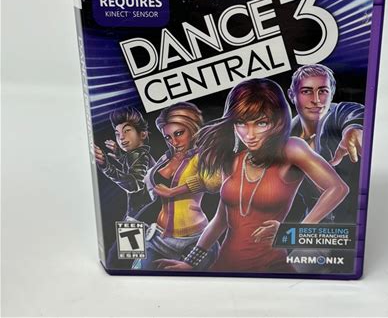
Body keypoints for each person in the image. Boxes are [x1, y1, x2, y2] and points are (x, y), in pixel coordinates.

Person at [156, 78, 349, 273]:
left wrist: (293, 232)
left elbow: (337, 188)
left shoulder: (291, 149)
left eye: (261, 123)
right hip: (225, 265)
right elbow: (220, 221)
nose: (249, 135)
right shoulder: (232, 161)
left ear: (278, 121)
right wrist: (190, 262)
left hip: (271, 268)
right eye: (241, 123)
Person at [132, 102, 221, 271]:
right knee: (135, 274)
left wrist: (175, 191)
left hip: (195, 239)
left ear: (192, 129)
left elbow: (213, 183)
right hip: (158, 236)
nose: (174, 142)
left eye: (179, 133)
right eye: (168, 137)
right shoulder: (166, 158)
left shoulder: (202, 156)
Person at [286, 63, 364, 223]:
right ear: (291, 95)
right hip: (314, 224)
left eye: (323, 91)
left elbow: (354, 113)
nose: (316, 100)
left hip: (353, 222)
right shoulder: (286, 137)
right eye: (306, 91)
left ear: (332, 93)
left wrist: (354, 128)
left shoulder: (338, 114)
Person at [94, 106, 156, 221]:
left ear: (143, 134)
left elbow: (134, 184)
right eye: (117, 133)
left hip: (141, 216)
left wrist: (106, 167)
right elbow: (135, 167)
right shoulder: (140, 155)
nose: (121, 137)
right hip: (143, 214)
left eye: (126, 131)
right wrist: (119, 155)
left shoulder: (140, 155)